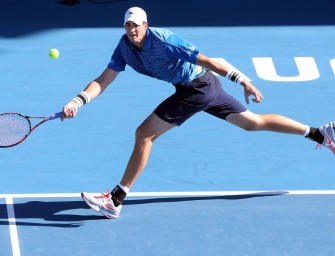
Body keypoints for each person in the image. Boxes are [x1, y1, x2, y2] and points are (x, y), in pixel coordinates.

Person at [61, 7, 335, 219]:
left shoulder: (166, 40)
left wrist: (243, 81)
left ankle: (116, 200)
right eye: (128, 25)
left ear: (146, 25)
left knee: (144, 135)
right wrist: (78, 101)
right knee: (253, 123)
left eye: (136, 25)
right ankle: (318, 134)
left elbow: (208, 60)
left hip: (199, 87)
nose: (132, 30)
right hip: (198, 87)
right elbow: (103, 80)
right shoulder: (124, 47)